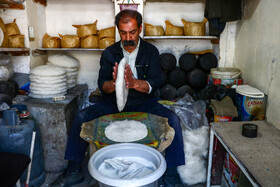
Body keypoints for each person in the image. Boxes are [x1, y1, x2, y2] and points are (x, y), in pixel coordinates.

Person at [50, 9, 185, 187]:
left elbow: (156, 81)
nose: (128, 37)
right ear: (118, 31)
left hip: (144, 103)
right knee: (82, 117)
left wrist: (134, 83)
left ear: (140, 29)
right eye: (123, 32)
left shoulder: (151, 51)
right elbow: (102, 83)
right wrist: (115, 84)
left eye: (132, 32)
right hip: (113, 103)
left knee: (173, 120)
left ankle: (172, 173)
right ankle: (74, 168)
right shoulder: (110, 53)